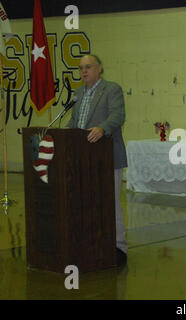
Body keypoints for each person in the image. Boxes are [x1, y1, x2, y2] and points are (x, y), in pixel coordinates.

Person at [67, 54, 128, 267]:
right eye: (81, 68)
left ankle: (119, 246)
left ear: (99, 68)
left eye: (88, 67)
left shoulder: (111, 90)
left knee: (111, 203)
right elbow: (74, 122)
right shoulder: (78, 94)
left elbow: (117, 116)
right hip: (84, 158)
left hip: (107, 155)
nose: (84, 71)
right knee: (87, 203)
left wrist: (102, 128)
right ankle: (92, 244)